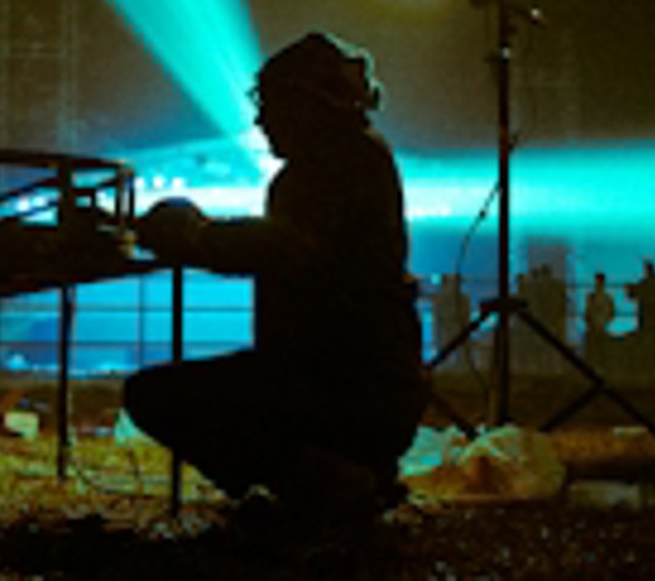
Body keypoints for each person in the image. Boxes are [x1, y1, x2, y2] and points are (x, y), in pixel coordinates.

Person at [122, 32, 427, 518]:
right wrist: (201, 235)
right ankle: (345, 474)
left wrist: (192, 235)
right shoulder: (357, 157)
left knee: (156, 397)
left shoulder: (329, 168)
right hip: (369, 384)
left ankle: (330, 485)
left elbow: (283, 246)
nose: (261, 121)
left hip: (340, 385)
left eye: (270, 106)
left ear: (305, 104)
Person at [583, 272, 616, 370]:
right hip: (598, 326)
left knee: (598, 348)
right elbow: (611, 313)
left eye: (599, 281)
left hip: (599, 326)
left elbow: (611, 313)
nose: (598, 283)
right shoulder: (599, 297)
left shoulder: (604, 297)